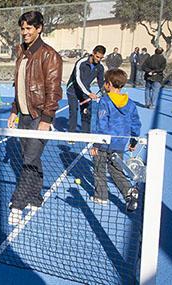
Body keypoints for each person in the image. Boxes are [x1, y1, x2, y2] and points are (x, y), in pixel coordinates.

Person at [6, 11, 63, 226]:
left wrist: (46, 119)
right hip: (24, 116)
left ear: (39, 28)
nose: (25, 32)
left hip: (40, 117)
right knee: (31, 158)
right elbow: (19, 85)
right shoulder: (22, 52)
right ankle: (36, 197)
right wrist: (14, 110)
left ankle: (18, 204)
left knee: (29, 160)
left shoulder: (49, 55)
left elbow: (54, 90)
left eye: (29, 28)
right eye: (22, 28)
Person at [90, 68, 141, 212]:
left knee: (99, 169)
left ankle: (101, 197)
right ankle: (129, 191)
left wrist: (96, 144)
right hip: (120, 143)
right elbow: (136, 124)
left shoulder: (105, 101)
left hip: (104, 143)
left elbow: (101, 124)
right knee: (116, 171)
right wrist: (133, 142)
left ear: (108, 84)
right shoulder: (130, 103)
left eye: (106, 82)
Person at [66, 45, 106, 134]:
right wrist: (88, 93)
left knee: (86, 112)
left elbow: (100, 83)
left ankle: (86, 134)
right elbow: (78, 80)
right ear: (93, 53)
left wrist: (106, 94)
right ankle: (71, 134)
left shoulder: (100, 67)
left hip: (85, 91)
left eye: (101, 58)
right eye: (97, 57)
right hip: (73, 90)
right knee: (74, 112)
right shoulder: (81, 62)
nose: (99, 59)